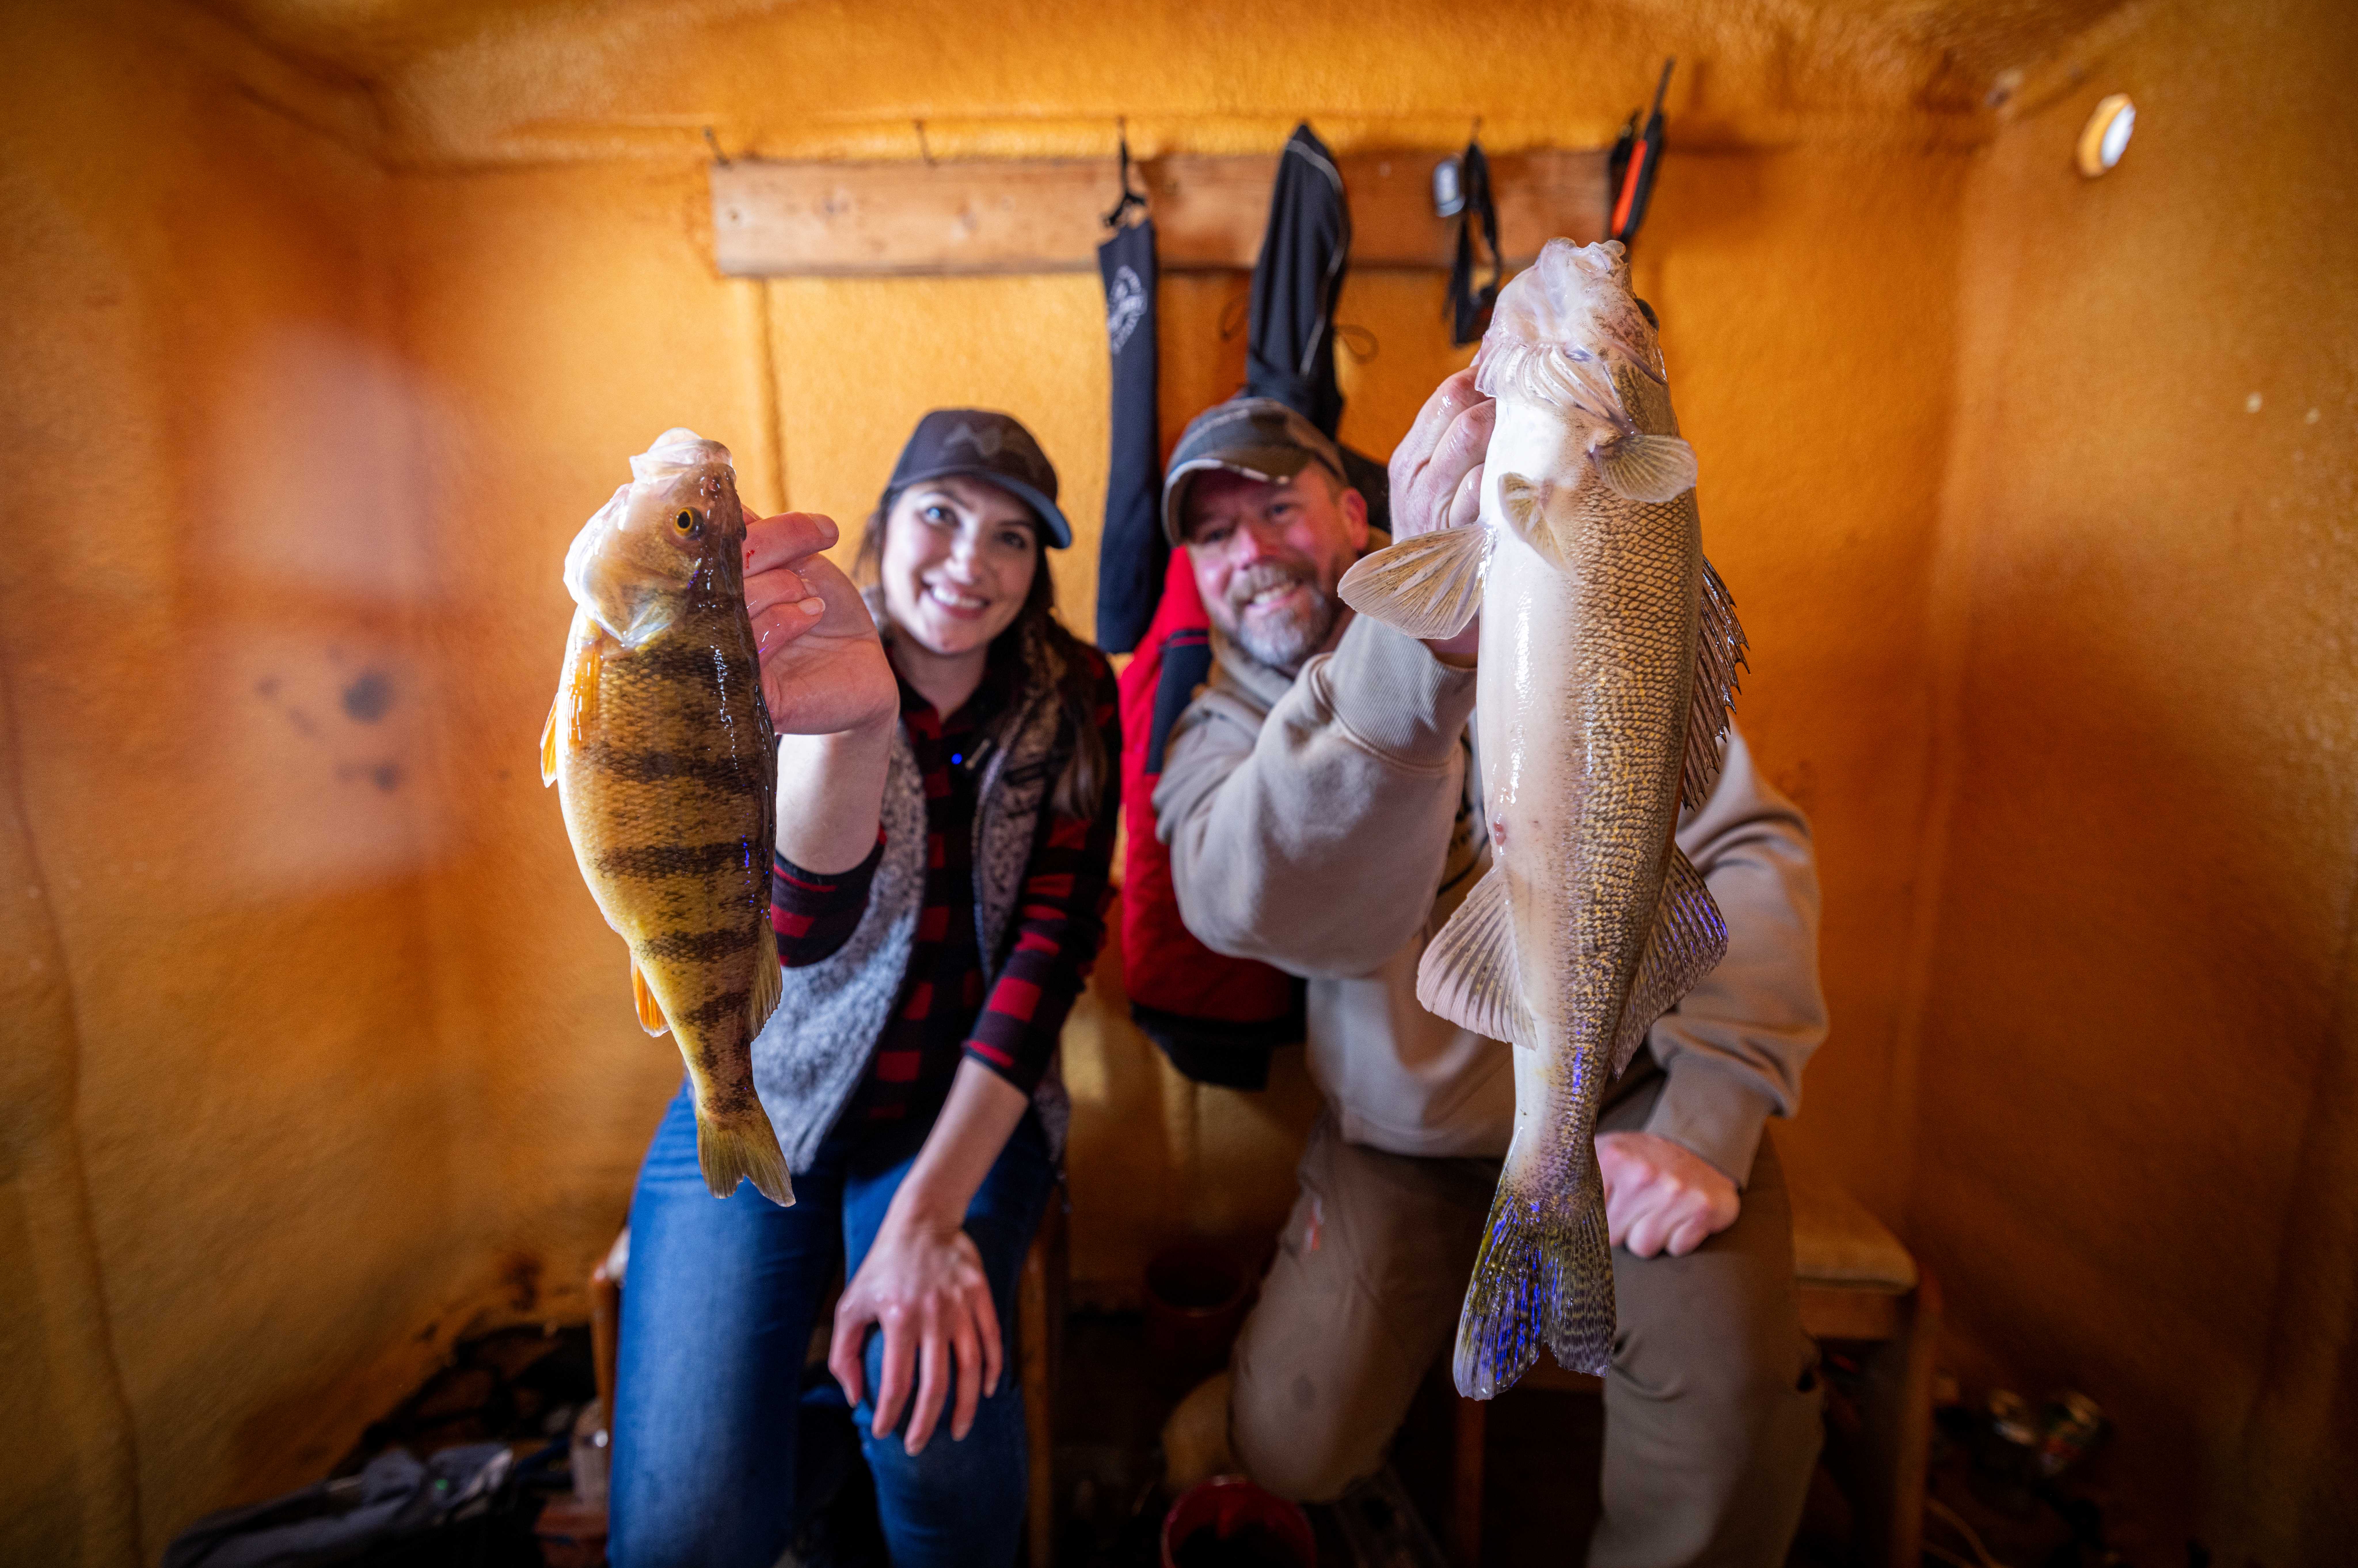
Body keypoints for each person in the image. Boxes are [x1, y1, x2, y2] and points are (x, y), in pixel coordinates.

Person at [1152, 386, 1830, 1565]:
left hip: (1618, 1108)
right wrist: (1411, 656)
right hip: (1401, 1149)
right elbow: (1238, 901)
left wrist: (1708, 1115)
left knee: (1728, 1432)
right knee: (1287, 1447)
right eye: (1211, 534)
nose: (1248, 551)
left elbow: (1746, 851)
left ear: (1356, 512)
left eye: (1276, 506)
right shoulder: (1213, 727)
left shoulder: (1575, 607)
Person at [609, 410, 1120, 1568]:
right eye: (941, 515)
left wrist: (925, 1216)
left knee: (930, 1431)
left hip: (963, 1116)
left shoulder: (1075, 690)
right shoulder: (794, 660)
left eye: (1009, 538)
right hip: (763, 1088)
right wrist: (858, 731)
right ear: (885, 526)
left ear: (1035, 569)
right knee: (686, 1527)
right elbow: (797, 927)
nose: (967, 562)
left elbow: (1047, 959)